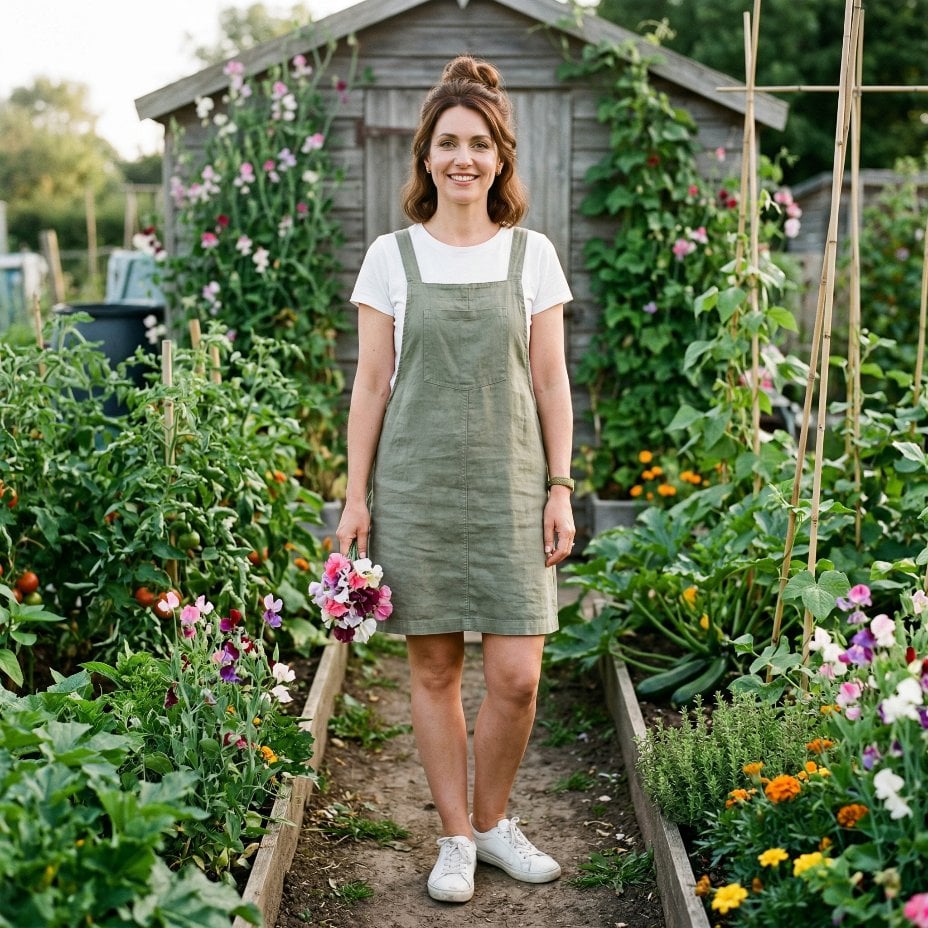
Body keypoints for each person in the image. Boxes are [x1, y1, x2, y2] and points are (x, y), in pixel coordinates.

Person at [336, 54, 575, 905]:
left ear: (501, 158)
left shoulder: (533, 255)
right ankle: (453, 842)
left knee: (516, 674)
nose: (463, 157)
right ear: (426, 157)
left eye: (479, 143)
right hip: (417, 486)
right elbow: (370, 384)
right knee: (434, 670)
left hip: (514, 487)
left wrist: (559, 485)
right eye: (448, 143)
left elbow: (551, 381)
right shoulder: (391, 257)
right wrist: (357, 497)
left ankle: (492, 821)